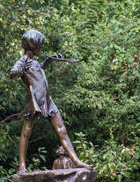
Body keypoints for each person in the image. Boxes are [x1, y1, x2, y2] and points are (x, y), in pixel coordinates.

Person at [10, 29, 92, 172]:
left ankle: (76, 160)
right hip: (34, 100)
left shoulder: (34, 62)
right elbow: (13, 73)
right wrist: (19, 70)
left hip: (47, 101)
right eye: (40, 45)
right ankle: (22, 165)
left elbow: (38, 69)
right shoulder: (24, 60)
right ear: (33, 45)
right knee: (26, 132)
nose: (41, 49)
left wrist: (49, 60)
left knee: (62, 130)